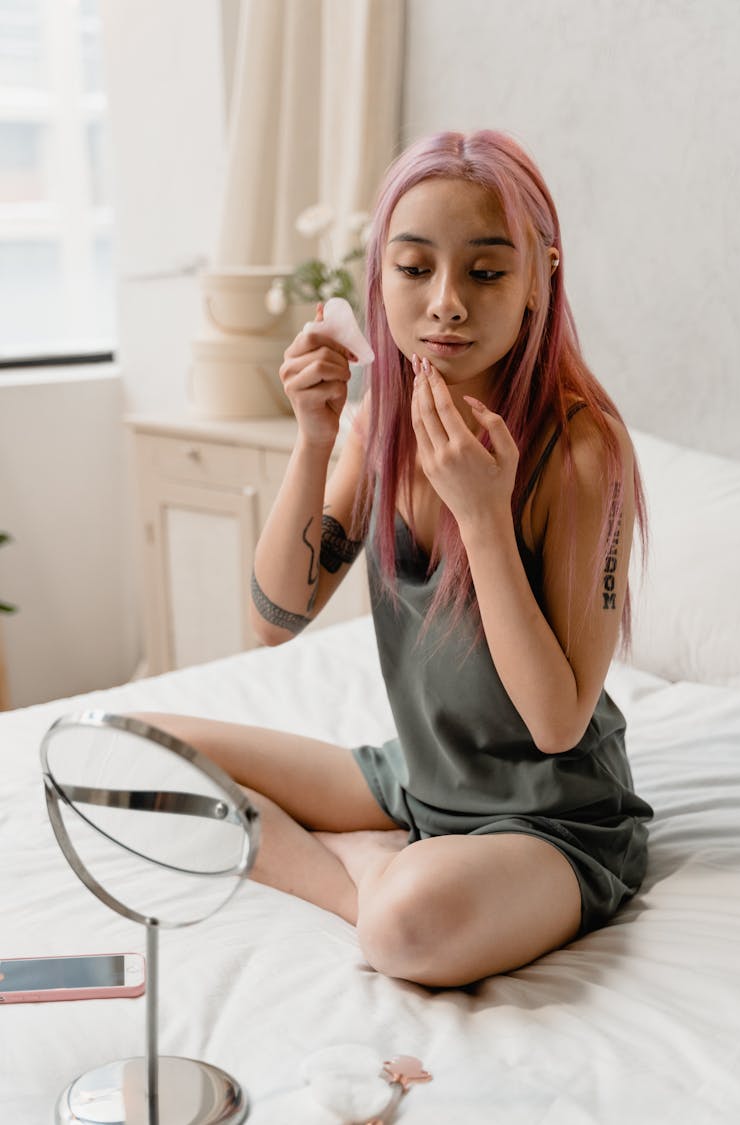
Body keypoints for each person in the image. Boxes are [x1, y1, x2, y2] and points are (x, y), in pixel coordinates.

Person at [140, 130, 653, 988]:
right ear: (379, 275)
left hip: (553, 819)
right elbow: (274, 621)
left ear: (540, 278)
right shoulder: (382, 420)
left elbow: (559, 723)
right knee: (145, 750)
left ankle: (366, 880)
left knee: (407, 928)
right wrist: (313, 439)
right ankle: (384, 863)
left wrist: (484, 517)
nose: (446, 302)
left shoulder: (582, 451)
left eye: (486, 272)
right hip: (418, 778)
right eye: (415, 268)